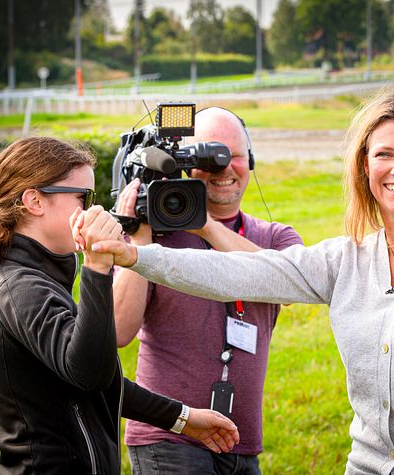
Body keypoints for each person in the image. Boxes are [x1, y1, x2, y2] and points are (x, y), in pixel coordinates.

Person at [92, 89, 394, 474]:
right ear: (364, 168)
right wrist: (136, 254)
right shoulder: (347, 259)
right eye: (384, 154)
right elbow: (242, 272)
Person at [0, 136, 239, 474]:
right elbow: (89, 373)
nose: (93, 209)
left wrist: (182, 419)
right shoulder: (21, 289)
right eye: (82, 197)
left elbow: (98, 375)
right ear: (34, 201)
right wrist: (97, 266)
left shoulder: (38, 278)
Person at [112, 107, 303, 474]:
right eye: (209, 157)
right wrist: (140, 240)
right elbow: (119, 331)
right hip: (169, 437)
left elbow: (289, 282)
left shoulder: (276, 239)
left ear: (251, 160)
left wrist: (205, 228)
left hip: (242, 441)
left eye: (232, 156)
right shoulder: (155, 235)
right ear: (184, 164)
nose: (223, 169)